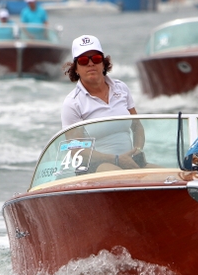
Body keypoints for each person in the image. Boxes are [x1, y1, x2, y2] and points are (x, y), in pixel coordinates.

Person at [62, 34, 148, 172]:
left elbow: (137, 127)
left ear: (103, 63)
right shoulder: (72, 103)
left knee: (170, 179)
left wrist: (137, 150)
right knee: (119, 176)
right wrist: (116, 159)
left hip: (130, 162)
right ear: (76, 68)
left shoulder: (122, 88)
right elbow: (76, 151)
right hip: (94, 167)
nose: (91, 63)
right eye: (83, 60)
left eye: (96, 59)